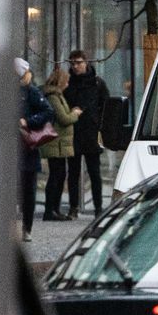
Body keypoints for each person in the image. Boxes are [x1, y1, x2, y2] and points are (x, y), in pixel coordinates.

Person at [64, 49, 110, 215]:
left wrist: (100, 125)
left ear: (86, 62)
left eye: (78, 63)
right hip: (73, 131)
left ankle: (98, 207)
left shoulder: (97, 83)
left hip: (91, 132)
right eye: (72, 63)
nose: (75, 66)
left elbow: (106, 105)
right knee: (73, 172)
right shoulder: (68, 83)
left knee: (94, 172)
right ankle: (73, 207)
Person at [16, 58, 52, 242]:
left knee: (28, 192)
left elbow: (48, 111)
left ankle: (26, 228)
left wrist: (28, 121)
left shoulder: (32, 92)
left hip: (27, 148)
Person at [41, 67, 81, 221]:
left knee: (60, 174)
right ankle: (50, 210)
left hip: (59, 143)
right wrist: (75, 114)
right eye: (67, 81)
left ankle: (55, 209)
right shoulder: (53, 96)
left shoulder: (58, 95)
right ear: (61, 81)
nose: (68, 84)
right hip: (55, 143)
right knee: (56, 175)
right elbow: (63, 118)